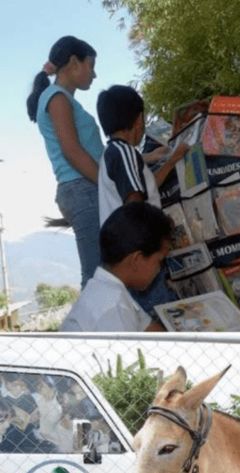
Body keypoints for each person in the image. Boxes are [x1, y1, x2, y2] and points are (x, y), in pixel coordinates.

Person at [96, 84, 188, 315]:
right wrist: (160, 235)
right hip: (141, 256)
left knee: (151, 314)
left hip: (131, 256)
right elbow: (135, 203)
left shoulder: (115, 153)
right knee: (161, 312)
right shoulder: (125, 152)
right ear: (138, 120)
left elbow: (146, 188)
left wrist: (172, 160)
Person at [27, 36, 104, 287]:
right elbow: (72, 151)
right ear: (74, 62)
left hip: (84, 188)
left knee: (104, 274)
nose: (94, 75)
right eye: (91, 66)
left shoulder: (64, 99)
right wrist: (108, 185)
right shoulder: (56, 98)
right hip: (82, 189)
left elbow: (95, 151)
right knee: (96, 277)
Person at [60, 202, 173, 331]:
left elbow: (150, 329)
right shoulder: (114, 309)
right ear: (137, 260)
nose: (159, 270)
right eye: (160, 261)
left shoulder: (107, 289)